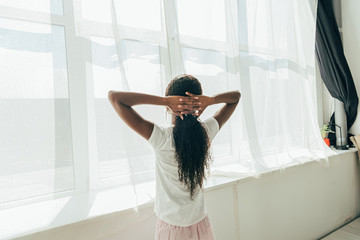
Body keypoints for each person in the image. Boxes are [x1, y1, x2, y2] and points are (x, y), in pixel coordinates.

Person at [108, 74, 240, 240]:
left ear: (170, 106)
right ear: (198, 104)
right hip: (201, 223)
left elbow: (115, 98)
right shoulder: (206, 132)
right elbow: (235, 97)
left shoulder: (162, 138)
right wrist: (211, 100)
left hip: (172, 229)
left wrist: (164, 101)